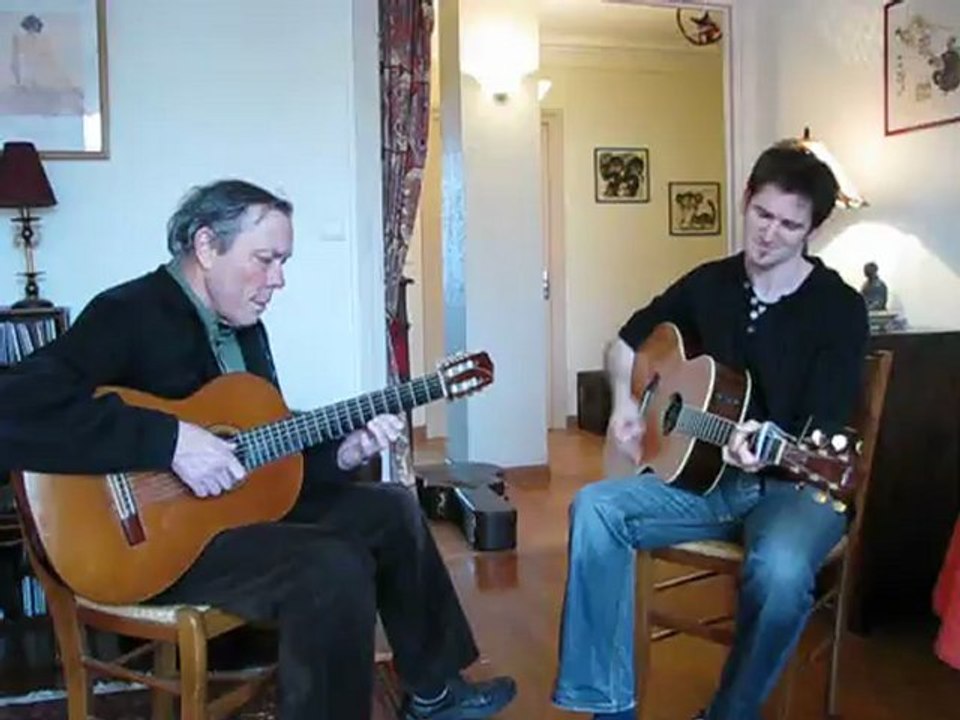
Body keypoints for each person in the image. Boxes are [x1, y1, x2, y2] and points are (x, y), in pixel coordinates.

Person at [0, 180, 516, 720]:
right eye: (265, 259)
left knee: (392, 509)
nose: (279, 279)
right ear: (206, 247)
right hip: (150, 544)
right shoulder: (128, 313)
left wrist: (343, 452)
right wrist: (170, 441)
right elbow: (14, 406)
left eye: (283, 261)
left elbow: (262, 447)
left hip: (229, 517)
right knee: (330, 567)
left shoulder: (246, 331)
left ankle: (434, 690)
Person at [551, 142, 868, 720]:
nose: (770, 234)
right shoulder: (710, 283)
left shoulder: (839, 307)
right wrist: (626, 402)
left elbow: (824, 423)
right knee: (595, 507)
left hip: (795, 485)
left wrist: (769, 447)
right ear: (746, 201)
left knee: (778, 571)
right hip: (703, 479)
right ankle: (609, 706)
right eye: (762, 215)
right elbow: (625, 343)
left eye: (789, 225)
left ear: (811, 232)